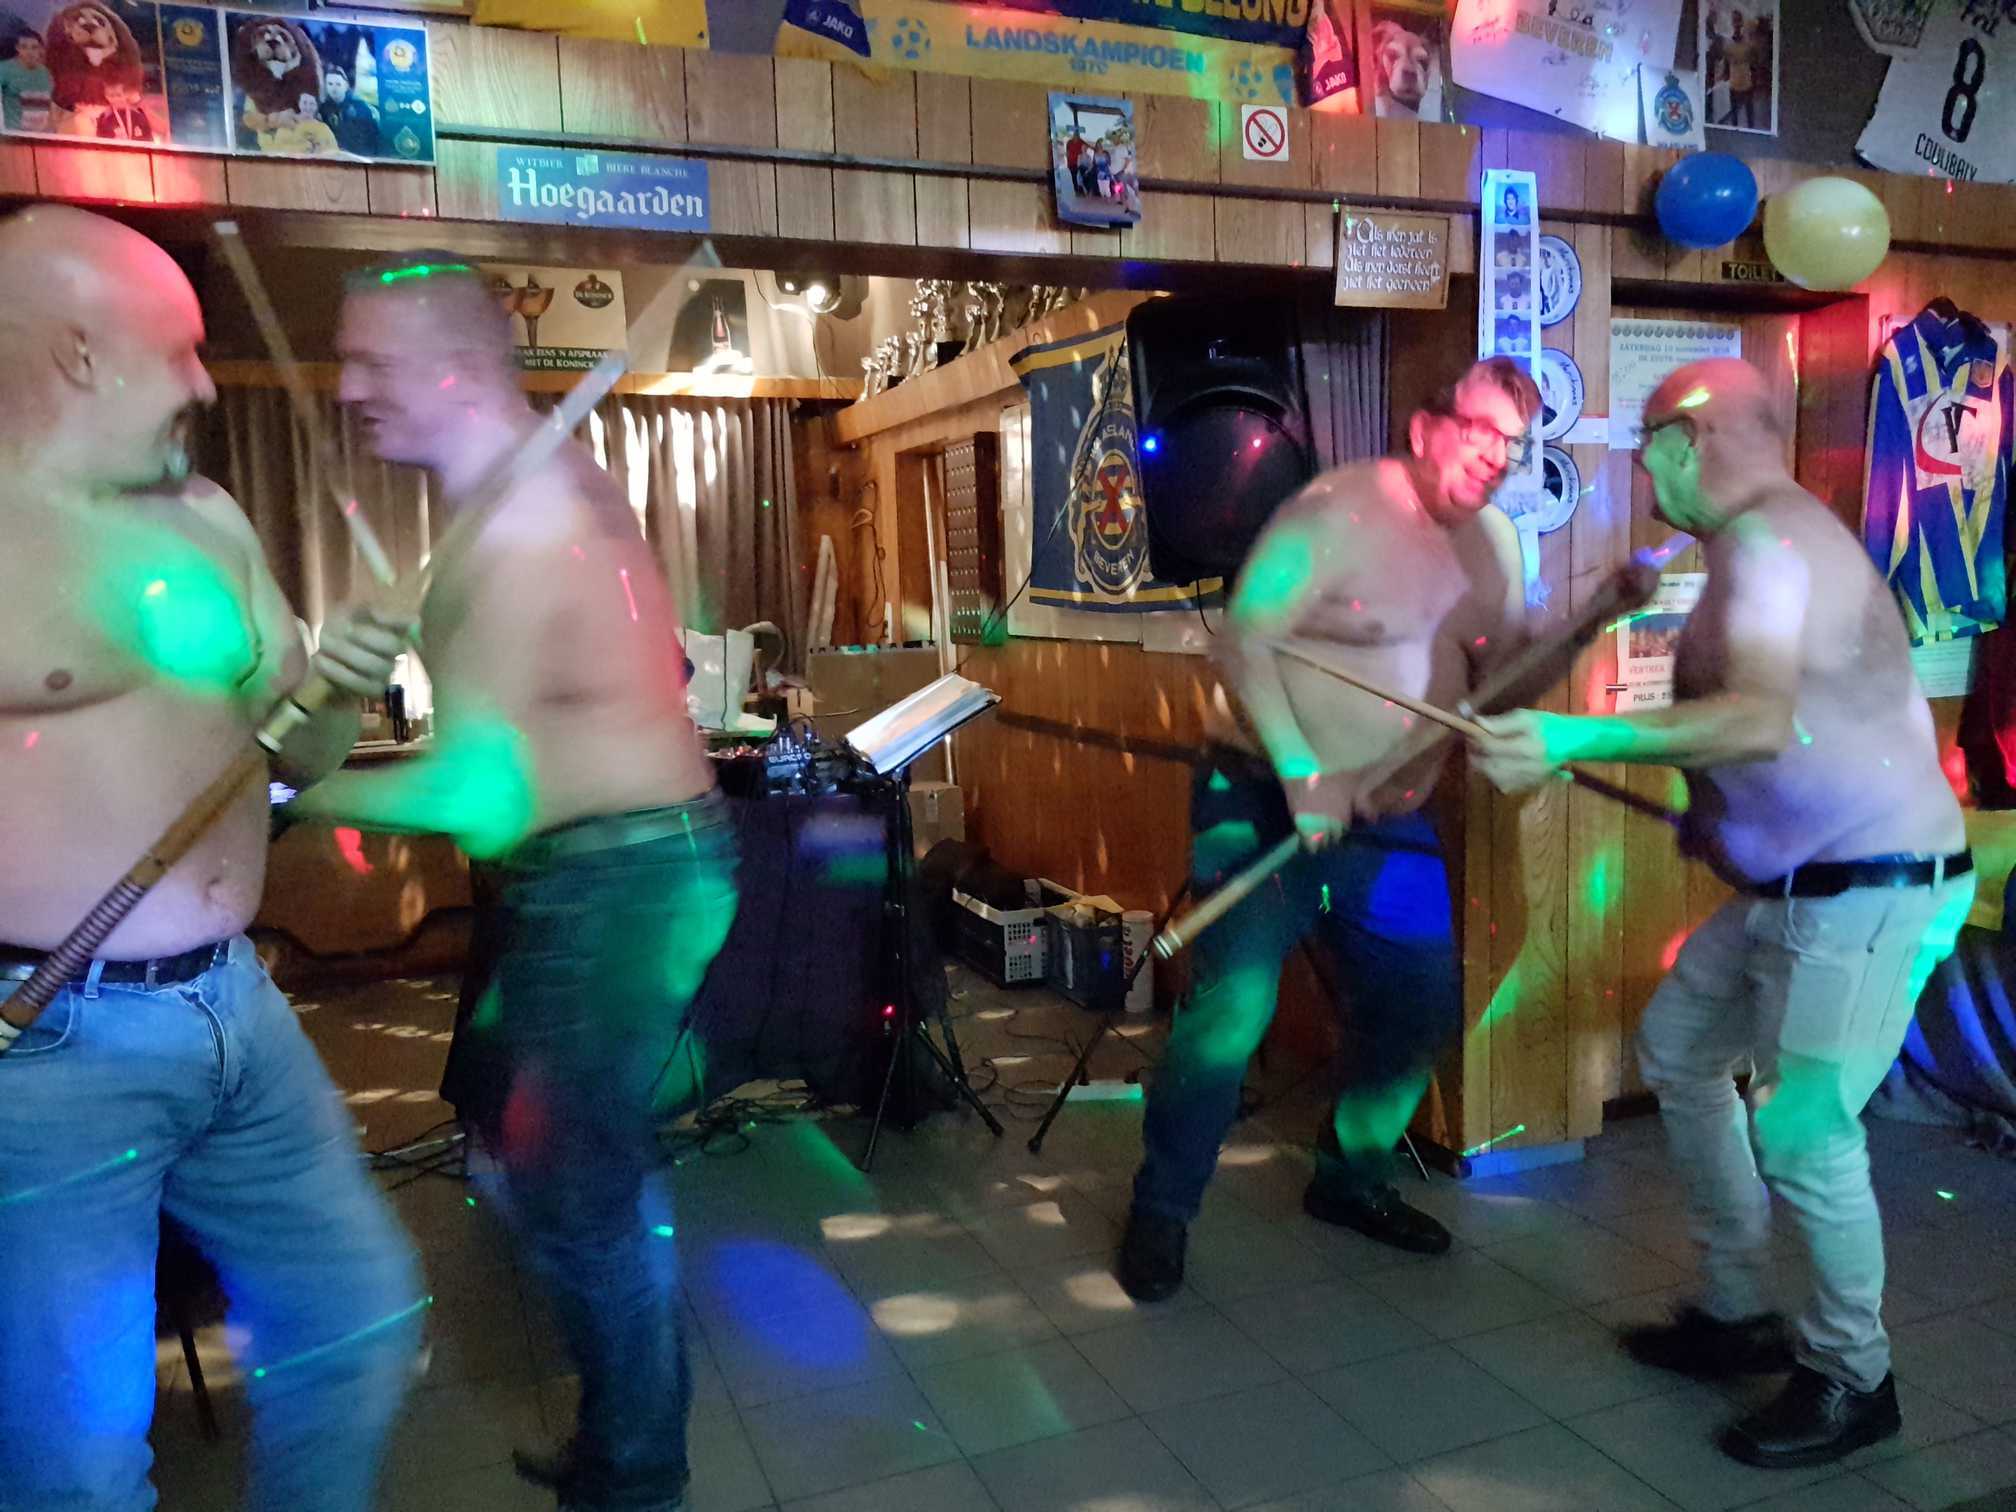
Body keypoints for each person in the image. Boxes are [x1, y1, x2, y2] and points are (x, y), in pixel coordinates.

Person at [288, 254, 738, 1512]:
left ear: (454, 367)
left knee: (575, 1192)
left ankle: (637, 1474)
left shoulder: (522, 518)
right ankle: (625, 1441)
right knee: (555, 1171)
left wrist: (284, 792)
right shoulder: (519, 493)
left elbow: (481, 795)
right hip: (617, 868)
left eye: (370, 361)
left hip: (621, 877)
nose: (347, 388)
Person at [1468, 357, 1973, 1469]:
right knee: (1682, 1046)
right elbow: (1765, 734)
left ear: (1692, 439)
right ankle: (1740, 1310)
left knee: (1805, 1132)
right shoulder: (1746, 546)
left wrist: (1568, 737)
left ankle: (1854, 1377)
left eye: (1648, 441)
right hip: (1798, 890)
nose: (1640, 467)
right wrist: (1713, 817)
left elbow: (1754, 720)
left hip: (1870, 891)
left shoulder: (1773, 541)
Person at [0, 205, 425, 1511]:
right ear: (78, 353)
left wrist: (338, 688)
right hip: (51, 1044)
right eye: (179, 349)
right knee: (77, 1467)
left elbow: (290, 760)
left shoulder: (212, 519)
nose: (201, 382)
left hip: (237, 1006)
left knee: (360, 1321)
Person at [1117, 357, 1540, 1302]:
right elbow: (1246, 637)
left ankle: (1348, 1179)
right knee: (1231, 1013)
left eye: (1512, 444)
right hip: (1259, 796)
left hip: (1388, 821)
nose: (1495, 456)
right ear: (1426, 427)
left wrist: (1570, 646)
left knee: (1419, 1002)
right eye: (1479, 431)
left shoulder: (1498, 546)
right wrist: (1305, 772)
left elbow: (1505, 675)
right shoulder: (1334, 511)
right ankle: (1163, 1206)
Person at [322, 64, 381, 158]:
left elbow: (370, 137)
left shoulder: (359, 107)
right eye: (330, 84)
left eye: (338, 84)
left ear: (346, 86)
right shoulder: (324, 108)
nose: (334, 88)